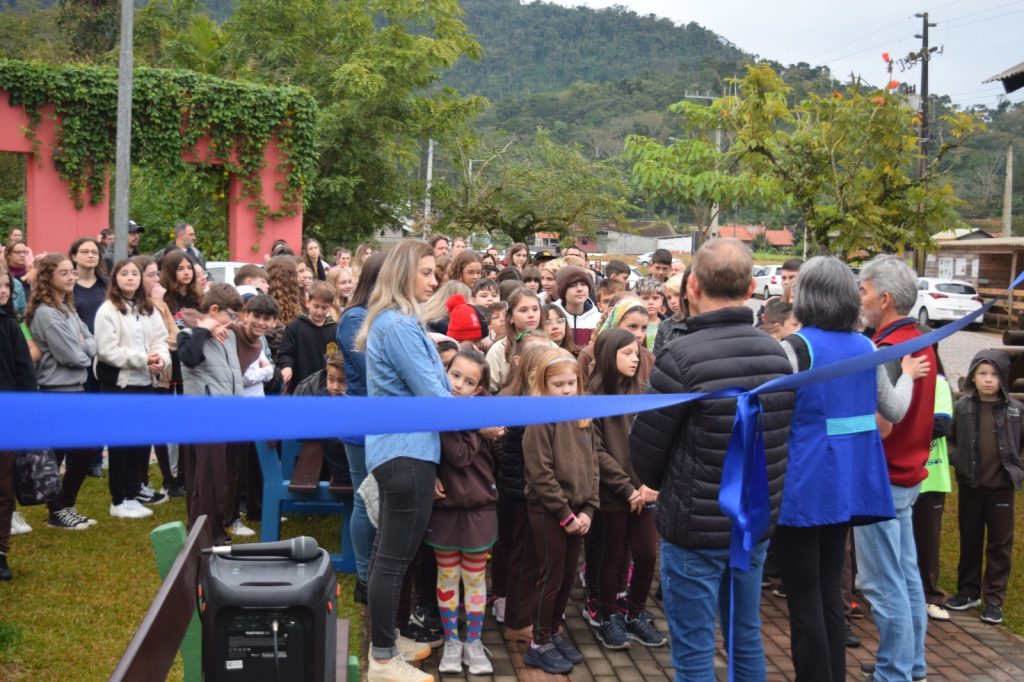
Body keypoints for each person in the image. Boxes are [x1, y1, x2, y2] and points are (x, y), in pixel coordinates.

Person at [628, 238, 794, 681]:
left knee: (694, 651)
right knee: (745, 637)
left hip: (694, 529)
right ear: (751, 287)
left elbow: (644, 454)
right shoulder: (777, 355)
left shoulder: (680, 357)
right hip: (753, 522)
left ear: (693, 286)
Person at [773, 256, 928, 682]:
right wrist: (909, 376)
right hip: (848, 485)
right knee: (827, 595)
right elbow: (894, 409)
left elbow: (767, 414)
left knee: (804, 600)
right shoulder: (866, 348)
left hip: (803, 486)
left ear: (805, 295)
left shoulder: (796, 349)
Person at [356, 240, 452, 682]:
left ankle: (388, 640)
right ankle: (382, 658)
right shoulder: (397, 326)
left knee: (387, 555)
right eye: (427, 272)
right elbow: (436, 394)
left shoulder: (398, 322)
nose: (434, 281)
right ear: (403, 273)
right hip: (405, 452)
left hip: (402, 450)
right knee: (395, 558)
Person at [856, 254, 937, 682]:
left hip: (882, 479)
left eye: (865, 291)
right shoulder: (920, 341)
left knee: (881, 584)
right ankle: (909, 663)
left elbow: (883, 426)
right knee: (906, 579)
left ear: (884, 298)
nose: (861, 299)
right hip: (906, 477)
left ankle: (893, 672)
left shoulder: (889, 350)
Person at [585, 328, 665, 650]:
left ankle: (633, 612)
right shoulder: (591, 399)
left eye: (637, 353)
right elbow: (596, 451)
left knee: (646, 555)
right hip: (611, 496)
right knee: (610, 558)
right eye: (628, 353)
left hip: (644, 493)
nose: (636, 359)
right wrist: (626, 488)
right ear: (608, 355)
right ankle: (607, 617)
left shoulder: (643, 394)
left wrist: (648, 484)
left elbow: (653, 443)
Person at [521, 348, 598, 674]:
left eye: (571, 383)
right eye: (559, 384)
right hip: (550, 512)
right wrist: (564, 514)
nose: (567, 390)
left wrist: (589, 510)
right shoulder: (540, 420)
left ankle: (552, 632)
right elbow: (541, 474)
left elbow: (593, 466)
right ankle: (538, 643)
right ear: (543, 385)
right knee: (551, 577)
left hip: (579, 511)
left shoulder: (583, 418)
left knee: (567, 577)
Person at [430, 349, 502, 675]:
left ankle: (473, 641)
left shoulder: (486, 414)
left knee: (474, 578)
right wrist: (477, 427)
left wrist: (483, 429)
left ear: (480, 389)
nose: (459, 385)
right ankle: (451, 640)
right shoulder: (440, 410)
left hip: (479, 508)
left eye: (469, 381)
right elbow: (458, 456)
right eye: (455, 375)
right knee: (447, 576)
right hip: (445, 509)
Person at [946, 350, 1024, 626]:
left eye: (994, 375)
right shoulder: (963, 407)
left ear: (1003, 378)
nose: (988, 380)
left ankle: (993, 600)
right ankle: (968, 591)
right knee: (970, 538)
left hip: (1001, 489)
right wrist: (957, 459)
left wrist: (1018, 467)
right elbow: (950, 439)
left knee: (1000, 544)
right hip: (971, 486)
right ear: (972, 377)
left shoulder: (1016, 410)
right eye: (982, 374)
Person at [94, 259, 171, 518]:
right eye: (124, 273)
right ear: (115, 278)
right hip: (119, 385)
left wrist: (161, 359)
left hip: (145, 384)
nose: (130, 278)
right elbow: (107, 351)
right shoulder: (107, 310)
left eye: (134, 274)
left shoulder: (148, 309)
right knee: (121, 444)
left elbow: (161, 340)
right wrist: (142, 359)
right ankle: (118, 500)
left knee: (139, 443)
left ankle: (132, 492)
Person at [27, 253, 99, 530]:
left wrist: (84, 345)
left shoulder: (66, 307)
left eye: (72, 272)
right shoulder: (45, 313)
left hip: (75, 389)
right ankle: (58, 509)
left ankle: (63, 505)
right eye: (64, 273)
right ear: (48, 277)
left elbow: (90, 339)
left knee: (83, 449)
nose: (71, 277)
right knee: (64, 452)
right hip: (56, 391)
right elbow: (74, 356)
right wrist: (84, 347)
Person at [177, 284, 245, 545]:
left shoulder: (227, 336)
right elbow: (190, 358)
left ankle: (209, 528)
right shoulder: (189, 335)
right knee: (208, 478)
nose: (234, 322)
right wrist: (204, 328)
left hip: (227, 414)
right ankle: (206, 533)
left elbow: (232, 376)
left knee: (220, 476)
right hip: (204, 416)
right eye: (231, 315)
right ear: (215, 310)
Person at [336, 252, 386, 602]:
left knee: (378, 498)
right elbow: (374, 372)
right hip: (363, 421)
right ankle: (365, 578)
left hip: (383, 422)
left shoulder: (383, 316)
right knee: (363, 498)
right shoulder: (355, 318)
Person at [0, 265, 39, 581]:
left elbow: (25, 372)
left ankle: (0, 551)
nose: (2, 290)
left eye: (5, 285)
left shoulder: (10, 326)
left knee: (2, 486)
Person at [915, 370, 953, 623]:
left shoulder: (938, 383)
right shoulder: (896, 377)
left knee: (927, 539)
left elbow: (940, 424)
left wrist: (902, 424)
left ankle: (931, 595)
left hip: (931, 474)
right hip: (894, 473)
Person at [278, 281, 338, 393]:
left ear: (331, 306)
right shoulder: (295, 327)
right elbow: (286, 353)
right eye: (316, 306)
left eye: (325, 308)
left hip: (326, 387)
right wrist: (287, 367)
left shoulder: (335, 329)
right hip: (301, 385)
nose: (319, 312)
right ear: (307, 303)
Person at [485, 287, 541, 392]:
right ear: (510, 317)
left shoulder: (551, 347)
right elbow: (489, 391)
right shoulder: (497, 351)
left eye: (535, 309)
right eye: (523, 310)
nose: (531, 315)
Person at [554, 265, 600, 347]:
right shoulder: (551, 316)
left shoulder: (598, 319)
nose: (580, 289)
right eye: (573, 285)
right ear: (562, 290)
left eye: (583, 284)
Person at [633, 278, 665, 350]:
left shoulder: (668, 324)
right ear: (637, 299)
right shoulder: (631, 324)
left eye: (655, 298)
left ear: (662, 300)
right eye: (645, 298)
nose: (651, 302)